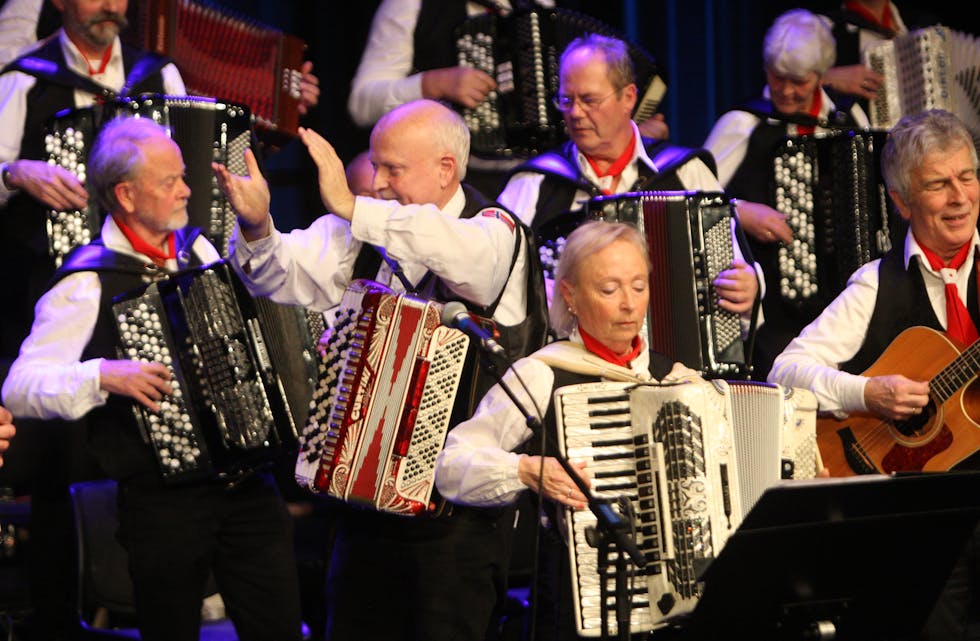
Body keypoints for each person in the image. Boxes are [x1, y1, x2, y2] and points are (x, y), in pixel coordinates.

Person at [213, 97, 548, 641]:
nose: (379, 181)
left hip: (455, 523)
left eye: (395, 168)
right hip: (362, 512)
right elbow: (278, 272)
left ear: (446, 169)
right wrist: (256, 225)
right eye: (376, 165)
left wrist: (353, 206)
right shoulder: (360, 232)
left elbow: (455, 255)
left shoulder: (495, 231)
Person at [0, 116, 305, 641]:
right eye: (170, 182)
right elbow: (19, 388)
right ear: (126, 194)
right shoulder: (87, 281)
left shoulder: (200, 250)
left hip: (246, 483)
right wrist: (102, 374)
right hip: (163, 502)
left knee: (278, 625)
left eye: (183, 176)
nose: (188, 190)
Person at [768, 108, 979, 640]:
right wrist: (866, 393)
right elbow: (784, 371)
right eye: (938, 184)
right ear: (903, 202)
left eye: (967, 177)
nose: (959, 197)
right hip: (921, 526)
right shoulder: (874, 285)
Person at [435, 220, 701, 640]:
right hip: (576, 603)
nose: (629, 305)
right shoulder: (542, 374)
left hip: (674, 601)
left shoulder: (678, 380)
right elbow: (451, 464)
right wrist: (523, 470)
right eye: (609, 290)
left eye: (638, 286)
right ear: (570, 296)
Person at [498, 33, 758, 332]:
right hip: (566, 363)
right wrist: (535, 293)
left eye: (589, 100)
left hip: (675, 367)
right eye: (567, 100)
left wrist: (749, 286)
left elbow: (735, 266)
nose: (576, 113)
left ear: (629, 98)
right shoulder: (535, 183)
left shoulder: (686, 173)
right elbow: (496, 278)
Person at [348, 0, 669, 198]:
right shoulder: (410, 5)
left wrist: (630, 126)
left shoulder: (536, 5)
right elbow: (360, 104)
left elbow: (570, 103)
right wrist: (431, 84)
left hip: (547, 178)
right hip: (454, 182)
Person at [703, 7, 871, 380]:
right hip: (770, 311)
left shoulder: (848, 123)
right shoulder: (743, 125)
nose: (786, 90)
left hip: (844, 302)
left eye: (799, 81)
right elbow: (695, 200)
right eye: (778, 78)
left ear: (820, 76)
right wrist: (741, 210)